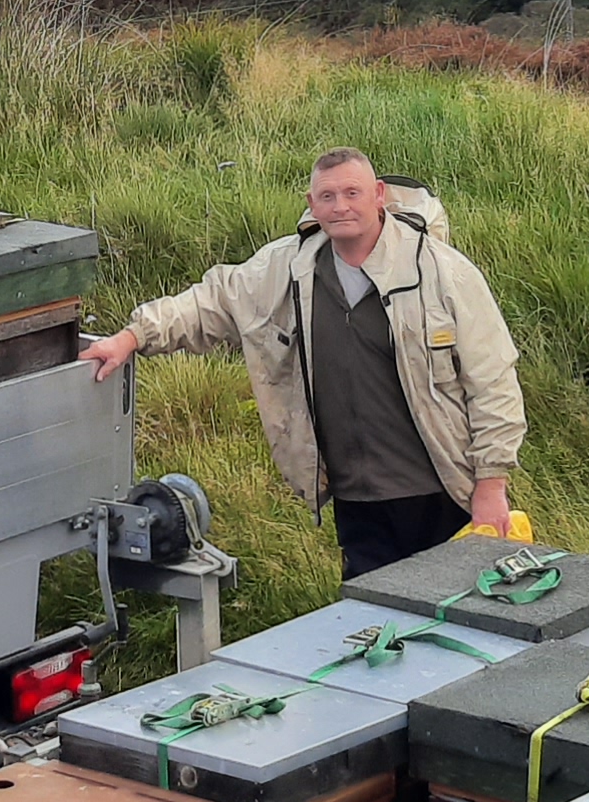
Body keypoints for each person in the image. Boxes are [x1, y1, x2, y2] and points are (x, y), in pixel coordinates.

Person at [82, 147, 525, 578]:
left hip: (441, 492)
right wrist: (131, 337)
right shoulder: (289, 268)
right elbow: (212, 302)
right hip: (358, 500)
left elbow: (492, 381)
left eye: (352, 193)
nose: (341, 207)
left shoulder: (442, 272)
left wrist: (491, 485)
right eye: (327, 197)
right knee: (378, 631)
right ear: (312, 205)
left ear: (379, 194)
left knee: (462, 629)